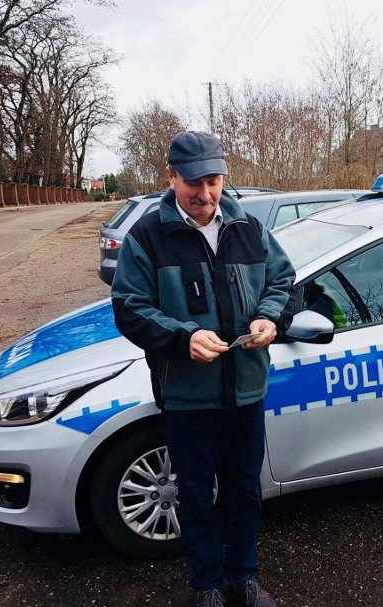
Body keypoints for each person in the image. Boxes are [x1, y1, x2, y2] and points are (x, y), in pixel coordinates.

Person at [112, 130, 296, 607]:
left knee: (244, 490)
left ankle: (243, 578)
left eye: (213, 181)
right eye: (193, 182)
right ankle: (207, 586)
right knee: (194, 494)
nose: (205, 194)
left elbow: (284, 280)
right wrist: (183, 337)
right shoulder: (147, 237)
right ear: (170, 177)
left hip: (246, 389)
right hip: (187, 395)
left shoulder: (248, 227)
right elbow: (130, 308)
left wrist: (269, 317)